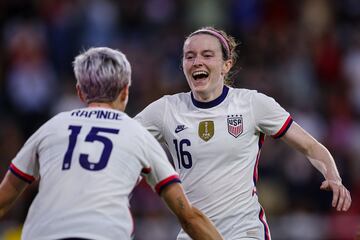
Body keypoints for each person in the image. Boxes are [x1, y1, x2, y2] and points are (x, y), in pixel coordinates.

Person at [134, 26, 352, 239]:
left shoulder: (252, 104)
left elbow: (310, 145)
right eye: (189, 56)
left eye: (207, 55)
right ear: (182, 65)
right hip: (194, 232)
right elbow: (122, 138)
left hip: (244, 231)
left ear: (226, 65)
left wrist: (333, 176)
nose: (197, 61)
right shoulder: (166, 109)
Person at [0, 47, 224, 240]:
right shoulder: (137, 134)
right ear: (125, 91)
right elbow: (188, 216)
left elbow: (6, 195)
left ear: (80, 93)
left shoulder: (52, 127)